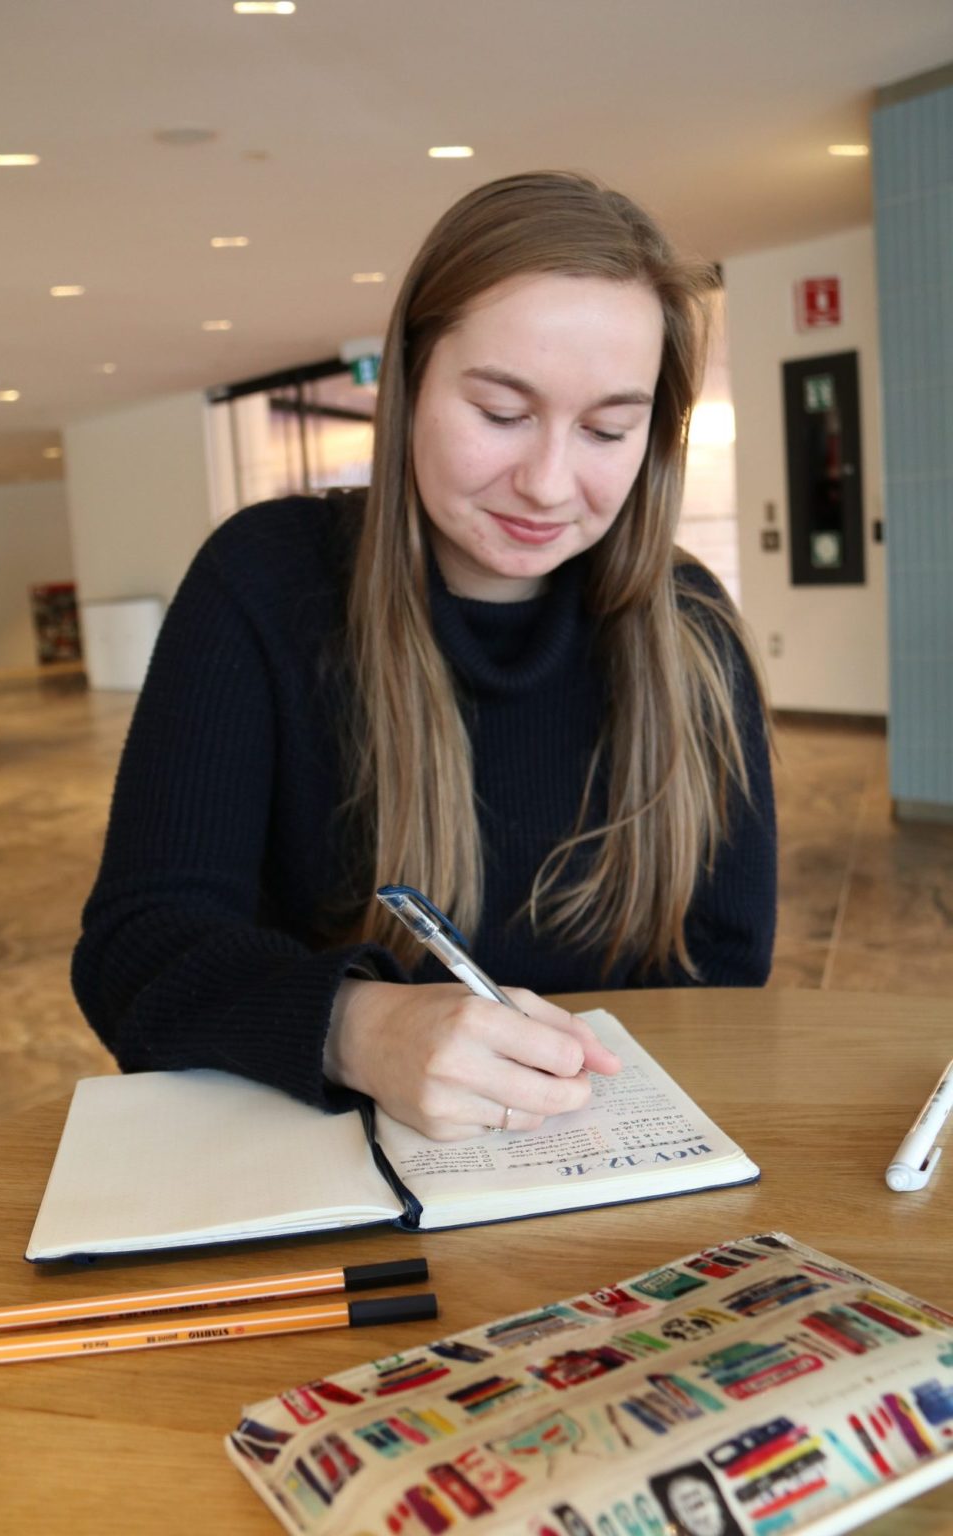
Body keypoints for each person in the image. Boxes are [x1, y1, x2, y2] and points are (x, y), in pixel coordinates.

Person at [72, 171, 776, 1143]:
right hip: (329, 1160)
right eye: (500, 413)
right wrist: (358, 1028)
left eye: (607, 429)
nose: (547, 483)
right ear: (408, 384)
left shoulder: (691, 629)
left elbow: (726, 977)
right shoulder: (265, 582)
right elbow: (136, 951)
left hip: (601, 1154)